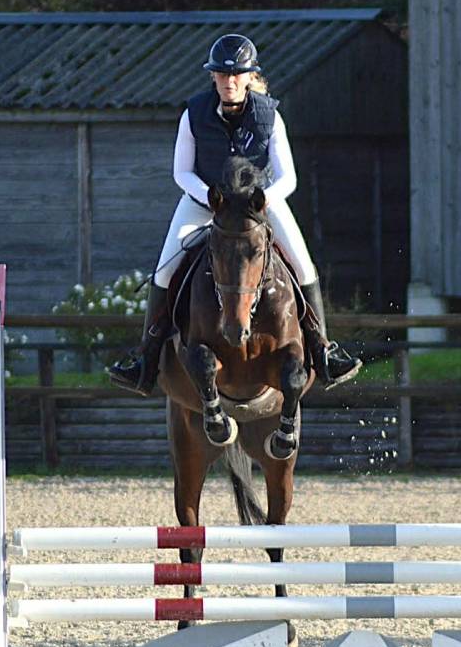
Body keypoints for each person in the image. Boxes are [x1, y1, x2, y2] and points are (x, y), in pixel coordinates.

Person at [109, 33, 362, 396]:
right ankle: (145, 361)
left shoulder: (269, 115)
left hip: (260, 207)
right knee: (164, 271)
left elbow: (288, 176)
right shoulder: (193, 113)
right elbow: (181, 173)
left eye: (237, 75)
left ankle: (323, 351)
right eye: (222, 75)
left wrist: (263, 200)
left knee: (304, 267)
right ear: (213, 77)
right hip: (204, 203)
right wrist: (212, 200)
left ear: (249, 76)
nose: (229, 82)